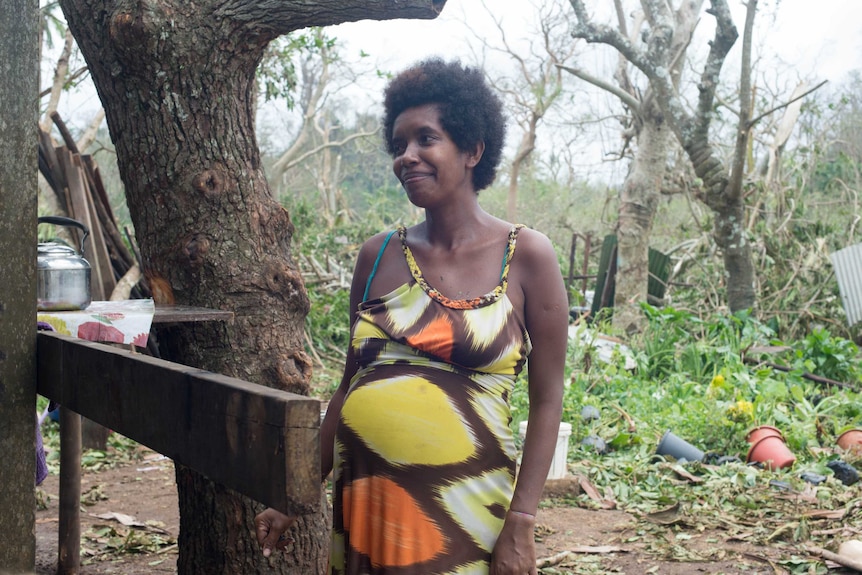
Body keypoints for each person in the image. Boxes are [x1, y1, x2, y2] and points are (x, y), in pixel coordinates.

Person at [255, 57, 568, 575]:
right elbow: (350, 383)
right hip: (367, 510)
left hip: (467, 515)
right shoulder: (377, 256)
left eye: (426, 139)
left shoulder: (528, 255)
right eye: (399, 145)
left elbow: (548, 398)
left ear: (472, 149)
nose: (407, 157)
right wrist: (298, 491)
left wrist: (523, 519)